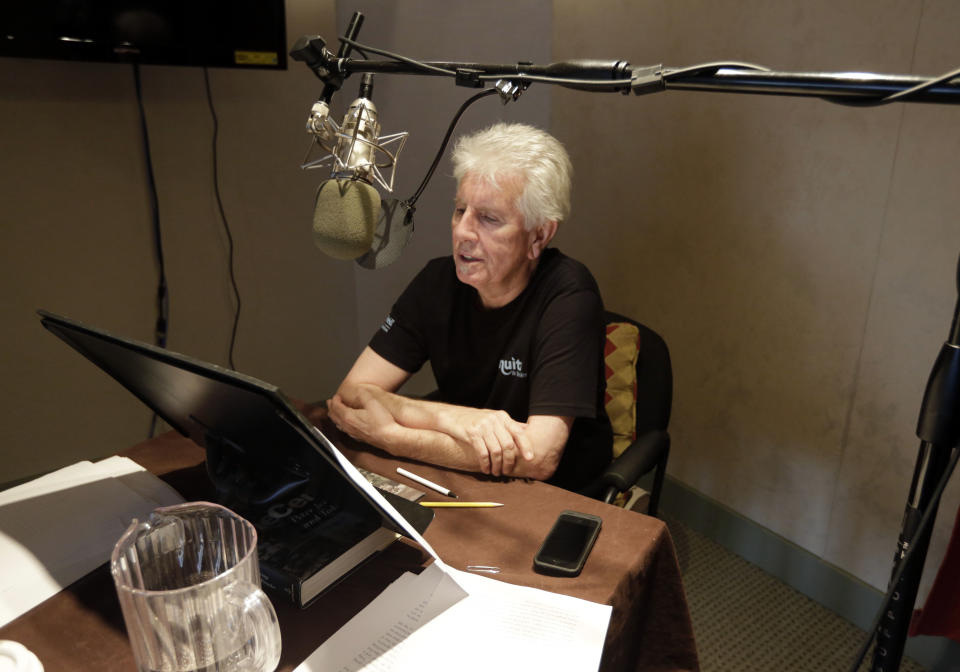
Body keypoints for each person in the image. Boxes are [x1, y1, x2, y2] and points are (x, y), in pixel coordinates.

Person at [328, 122, 612, 490]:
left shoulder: (570, 295)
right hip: (464, 473)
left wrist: (390, 435)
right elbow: (352, 394)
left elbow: (539, 458)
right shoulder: (437, 281)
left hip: (556, 491)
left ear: (539, 235)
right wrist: (457, 420)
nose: (463, 231)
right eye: (460, 210)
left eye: (489, 219)